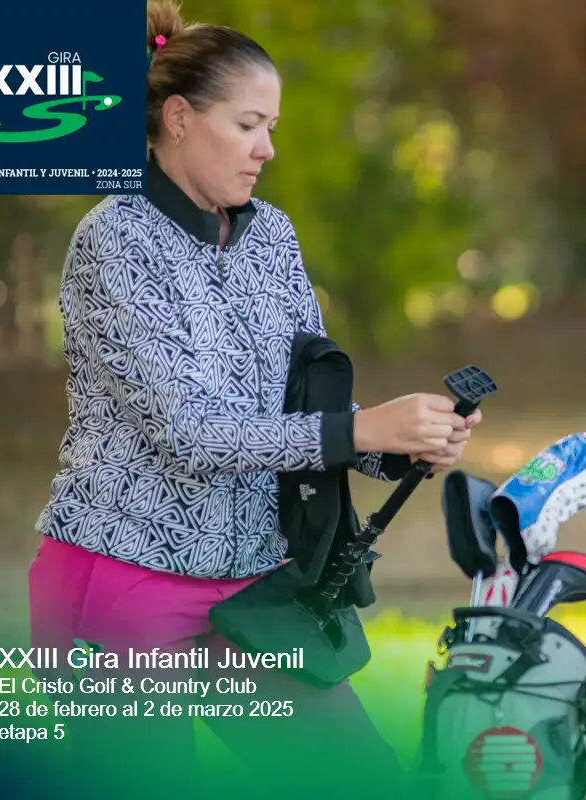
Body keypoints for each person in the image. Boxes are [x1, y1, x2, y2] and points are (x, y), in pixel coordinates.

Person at [26, 2, 480, 796]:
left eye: (270, 126)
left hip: (252, 589)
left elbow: (301, 404)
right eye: (247, 125)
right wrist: (360, 431)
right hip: (121, 581)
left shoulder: (271, 235)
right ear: (178, 119)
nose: (267, 148)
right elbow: (190, 433)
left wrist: (399, 443)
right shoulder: (114, 238)